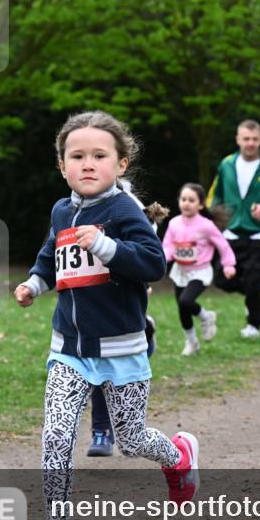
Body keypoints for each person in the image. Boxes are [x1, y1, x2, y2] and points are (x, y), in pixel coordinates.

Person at [14, 110, 199, 520]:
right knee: (56, 434)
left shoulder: (124, 211)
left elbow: (152, 264)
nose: (88, 164)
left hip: (122, 352)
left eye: (100, 155)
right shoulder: (61, 210)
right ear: (62, 166)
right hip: (69, 350)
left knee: (132, 438)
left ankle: (178, 456)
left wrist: (106, 246)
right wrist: (34, 287)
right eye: (77, 156)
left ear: (121, 163)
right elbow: (49, 258)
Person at [86, 180, 169, 458]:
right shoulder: (76, 206)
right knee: (98, 370)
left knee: (117, 375)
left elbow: (150, 253)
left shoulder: (127, 205)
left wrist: (113, 251)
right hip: (91, 305)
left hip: (126, 298)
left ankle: (146, 336)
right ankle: (101, 431)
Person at [207, 119, 260, 337]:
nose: (250, 143)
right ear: (238, 139)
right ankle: (252, 293)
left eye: (254, 139)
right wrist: (211, 218)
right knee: (222, 279)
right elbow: (214, 197)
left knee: (253, 279)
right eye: (246, 139)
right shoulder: (226, 165)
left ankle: (253, 325)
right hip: (232, 231)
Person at [162, 183, 236, 356]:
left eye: (191, 200)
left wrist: (228, 264)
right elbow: (167, 246)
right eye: (183, 199)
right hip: (180, 271)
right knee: (182, 310)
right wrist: (161, 259)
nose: (186, 203)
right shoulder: (173, 223)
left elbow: (222, 245)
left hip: (200, 272)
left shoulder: (206, 226)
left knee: (186, 301)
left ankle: (206, 316)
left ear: (201, 205)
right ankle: (192, 343)